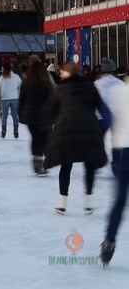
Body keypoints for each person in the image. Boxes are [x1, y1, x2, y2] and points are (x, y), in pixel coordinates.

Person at [44, 61, 109, 215]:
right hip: (88, 128)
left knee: (66, 165)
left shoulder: (60, 89)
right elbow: (102, 109)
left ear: (66, 73)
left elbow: (49, 110)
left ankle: (62, 202)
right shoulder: (90, 86)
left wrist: (56, 119)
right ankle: (88, 203)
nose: (59, 74)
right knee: (89, 165)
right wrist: (101, 129)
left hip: (67, 129)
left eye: (61, 72)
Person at [100, 63, 129, 267]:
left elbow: (110, 119)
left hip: (125, 149)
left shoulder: (121, 90)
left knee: (119, 201)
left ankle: (110, 239)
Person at [18, 60, 53, 176]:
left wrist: (20, 113)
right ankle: (40, 161)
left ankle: (37, 161)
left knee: (35, 138)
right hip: (43, 115)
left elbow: (22, 100)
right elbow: (52, 100)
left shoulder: (26, 83)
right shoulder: (46, 83)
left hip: (30, 115)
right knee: (43, 138)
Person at [95, 58, 123, 176]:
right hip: (117, 116)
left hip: (100, 116)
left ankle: (97, 161)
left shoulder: (96, 84)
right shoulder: (119, 83)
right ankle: (116, 165)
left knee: (98, 140)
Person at [0, 60, 22, 139]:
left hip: (5, 98)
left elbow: (2, 89)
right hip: (14, 97)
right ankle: (16, 131)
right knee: (15, 115)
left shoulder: (2, 78)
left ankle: (3, 131)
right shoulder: (16, 76)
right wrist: (17, 92)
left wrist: (0, 97)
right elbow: (20, 84)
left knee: (4, 116)